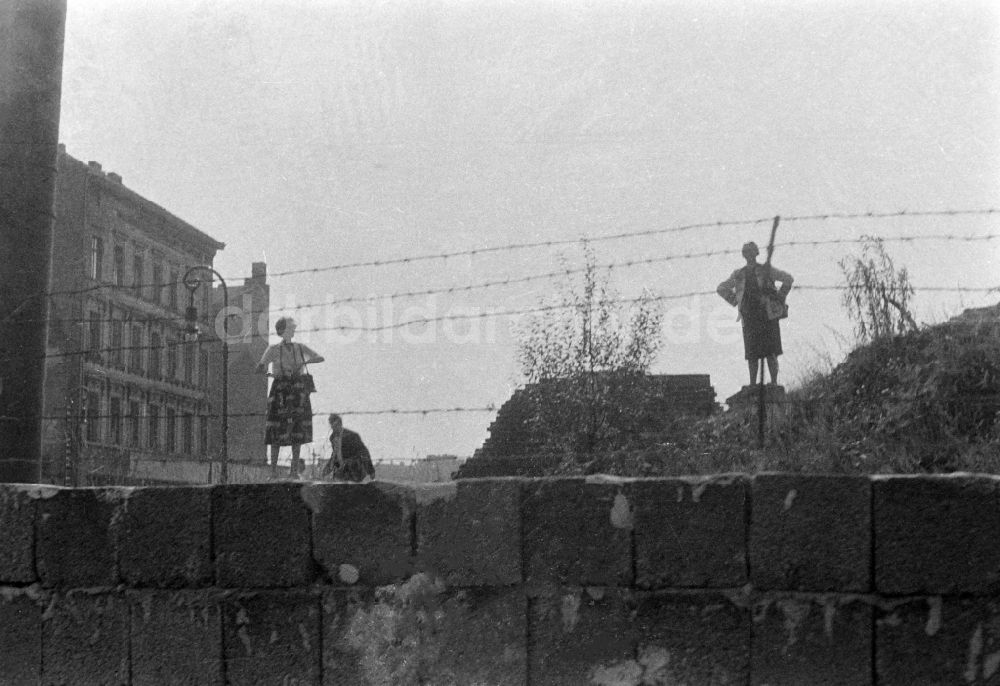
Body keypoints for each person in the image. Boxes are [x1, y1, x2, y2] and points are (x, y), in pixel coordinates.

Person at [255, 317, 324, 478]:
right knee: (276, 430)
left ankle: (293, 471)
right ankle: (273, 472)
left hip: (296, 389)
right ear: (284, 330)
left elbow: (319, 357)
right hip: (281, 390)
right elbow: (260, 367)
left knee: (297, 431)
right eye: (290, 328)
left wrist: (301, 365)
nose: (293, 331)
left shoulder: (300, 348)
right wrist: (273, 374)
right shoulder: (273, 349)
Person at [717, 241, 794, 385]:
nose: (749, 255)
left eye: (751, 252)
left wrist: (778, 298)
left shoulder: (766, 270)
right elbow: (721, 288)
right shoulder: (739, 274)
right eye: (746, 252)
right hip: (750, 316)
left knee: (771, 351)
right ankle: (753, 383)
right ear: (744, 255)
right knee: (752, 354)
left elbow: (788, 279)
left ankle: (774, 382)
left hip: (767, 315)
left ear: (756, 253)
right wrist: (736, 301)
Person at [323, 413, 374, 482]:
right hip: (341, 471)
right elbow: (335, 454)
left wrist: (370, 470)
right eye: (331, 425)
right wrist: (327, 469)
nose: (333, 428)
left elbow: (364, 452)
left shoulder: (352, 436)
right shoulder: (332, 437)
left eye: (335, 425)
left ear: (340, 424)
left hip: (353, 470)